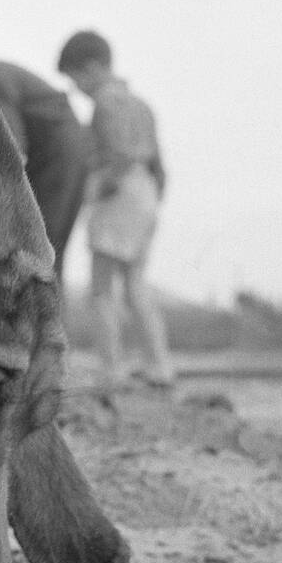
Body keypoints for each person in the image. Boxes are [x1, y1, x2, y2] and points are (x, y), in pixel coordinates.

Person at [58, 30, 175, 389]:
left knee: (101, 288)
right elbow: (159, 166)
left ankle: (111, 368)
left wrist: (94, 192)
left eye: (75, 79)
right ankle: (159, 366)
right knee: (136, 284)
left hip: (118, 194)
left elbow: (119, 156)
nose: (77, 89)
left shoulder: (106, 105)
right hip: (146, 195)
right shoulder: (141, 105)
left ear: (91, 69)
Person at [0, 60, 93, 283]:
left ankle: (37, 313)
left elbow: (13, 148)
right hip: (72, 151)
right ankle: (49, 313)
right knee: (51, 252)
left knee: (37, 249)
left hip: (58, 156)